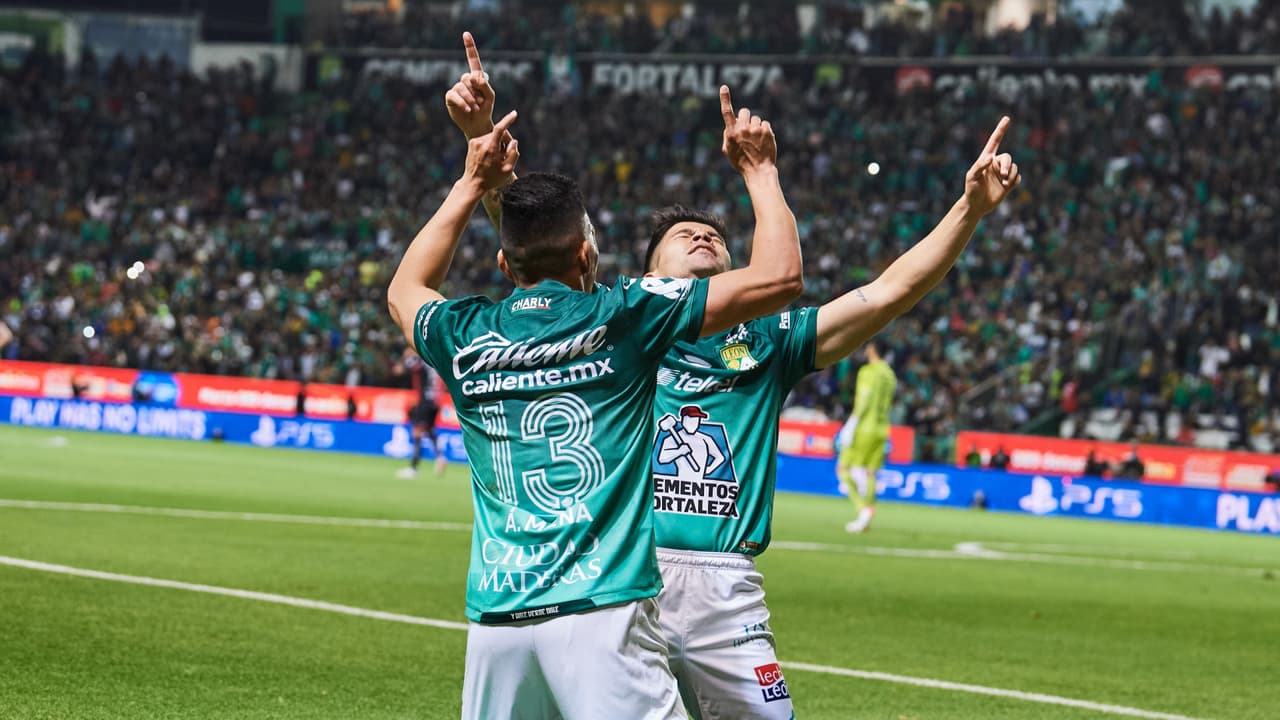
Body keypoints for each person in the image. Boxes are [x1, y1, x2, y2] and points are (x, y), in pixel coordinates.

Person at [444, 32, 1019, 718]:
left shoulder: (769, 342)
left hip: (724, 589)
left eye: (714, 236)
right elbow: (533, 244)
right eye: (682, 236)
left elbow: (886, 294)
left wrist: (969, 211)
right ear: (648, 274)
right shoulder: (618, 323)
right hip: (618, 574)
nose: (704, 236)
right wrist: (481, 141)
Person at [388, 62, 803, 719]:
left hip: (497, 620)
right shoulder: (627, 317)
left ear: (503, 265)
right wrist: (760, 169)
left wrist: (472, 178)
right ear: (587, 257)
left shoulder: (464, 335)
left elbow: (404, 290)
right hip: (602, 611)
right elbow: (780, 277)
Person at [834, 342, 898, 533]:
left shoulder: (868, 371)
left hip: (864, 428)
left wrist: (851, 424)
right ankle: (866, 518)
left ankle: (862, 509)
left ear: (872, 349)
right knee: (871, 473)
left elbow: (864, 400)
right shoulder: (890, 375)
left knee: (843, 469)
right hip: (882, 428)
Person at [397, 347, 447, 478]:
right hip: (436, 401)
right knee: (429, 430)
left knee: (417, 432)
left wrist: (407, 354)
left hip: (425, 401)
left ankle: (413, 468)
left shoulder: (420, 362)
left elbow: (401, 369)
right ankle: (440, 457)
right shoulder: (436, 362)